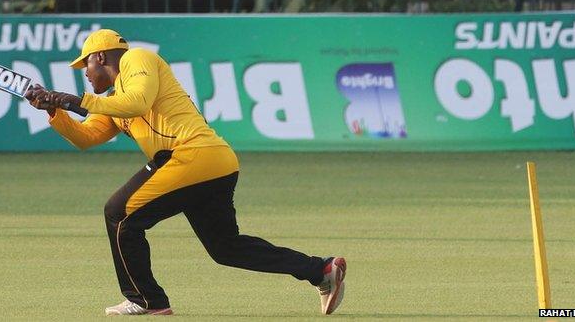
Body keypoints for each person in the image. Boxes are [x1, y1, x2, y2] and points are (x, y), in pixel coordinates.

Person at [25, 29, 347, 316]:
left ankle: (146, 299)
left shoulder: (138, 58)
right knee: (226, 248)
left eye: (86, 66)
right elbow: (86, 137)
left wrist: (76, 100)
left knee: (118, 212)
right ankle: (321, 271)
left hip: (192, 155)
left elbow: (137, 102)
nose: (85, 74)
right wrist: (56, 111)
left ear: (100, 56)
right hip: (211, 165)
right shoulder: (112, 101)